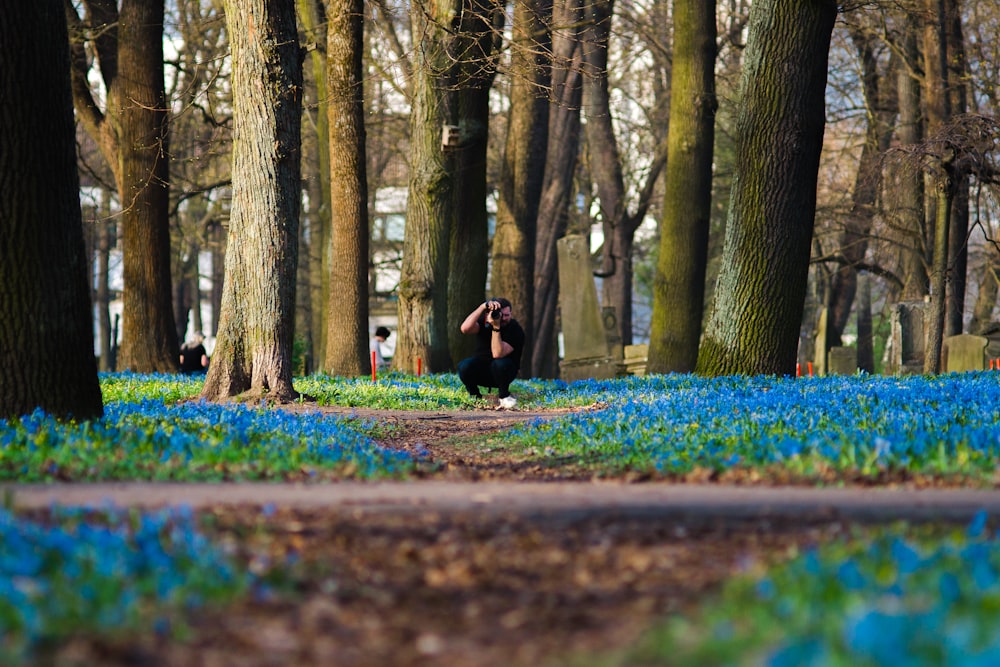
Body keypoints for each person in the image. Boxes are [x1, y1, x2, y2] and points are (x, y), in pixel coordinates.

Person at [457, 298, 525, 409]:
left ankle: (504, 396)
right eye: (499, 315)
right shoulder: (485, 322)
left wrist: (496, 328)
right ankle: (474, 396)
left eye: (506, 315)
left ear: (511, 314)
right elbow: (465, 328)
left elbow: (497, 354)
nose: (502, 318)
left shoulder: (515, 329)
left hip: (505, 372)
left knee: (499, 364)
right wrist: (483, 307)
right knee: (464, 366)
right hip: (483, 370)